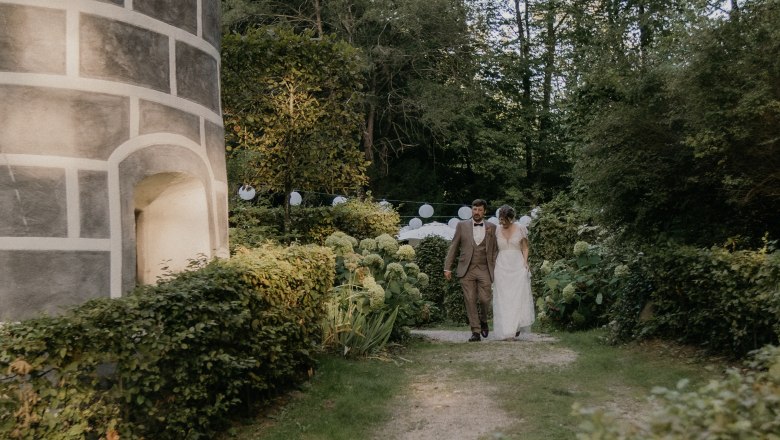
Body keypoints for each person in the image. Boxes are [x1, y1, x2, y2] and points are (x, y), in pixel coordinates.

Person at [444, 199, 499, 342]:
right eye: (475, 209)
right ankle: (475, 331)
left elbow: (495, 250)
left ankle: (484, 319)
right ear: (471, 210)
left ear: (484, 212)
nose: (477, 212)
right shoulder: (462, 226)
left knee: (485, 299)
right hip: (466, 268)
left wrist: (497, 266)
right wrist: (447, 267)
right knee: (470, 299)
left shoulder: (492, 227)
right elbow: (454, 246)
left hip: (485, 269)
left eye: (480, 210)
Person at [492, 205, 534, 340]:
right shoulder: (497, 230)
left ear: (511, 218)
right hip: (501, 266)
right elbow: (494, 249)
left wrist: (525, 262)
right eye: (500, 220)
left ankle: (515, 327)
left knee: (517, 297)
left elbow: (525, 248)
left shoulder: (520, 228)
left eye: (504, 220)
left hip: (517, 265)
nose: (502, 223)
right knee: (503, 298)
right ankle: (506, 329)